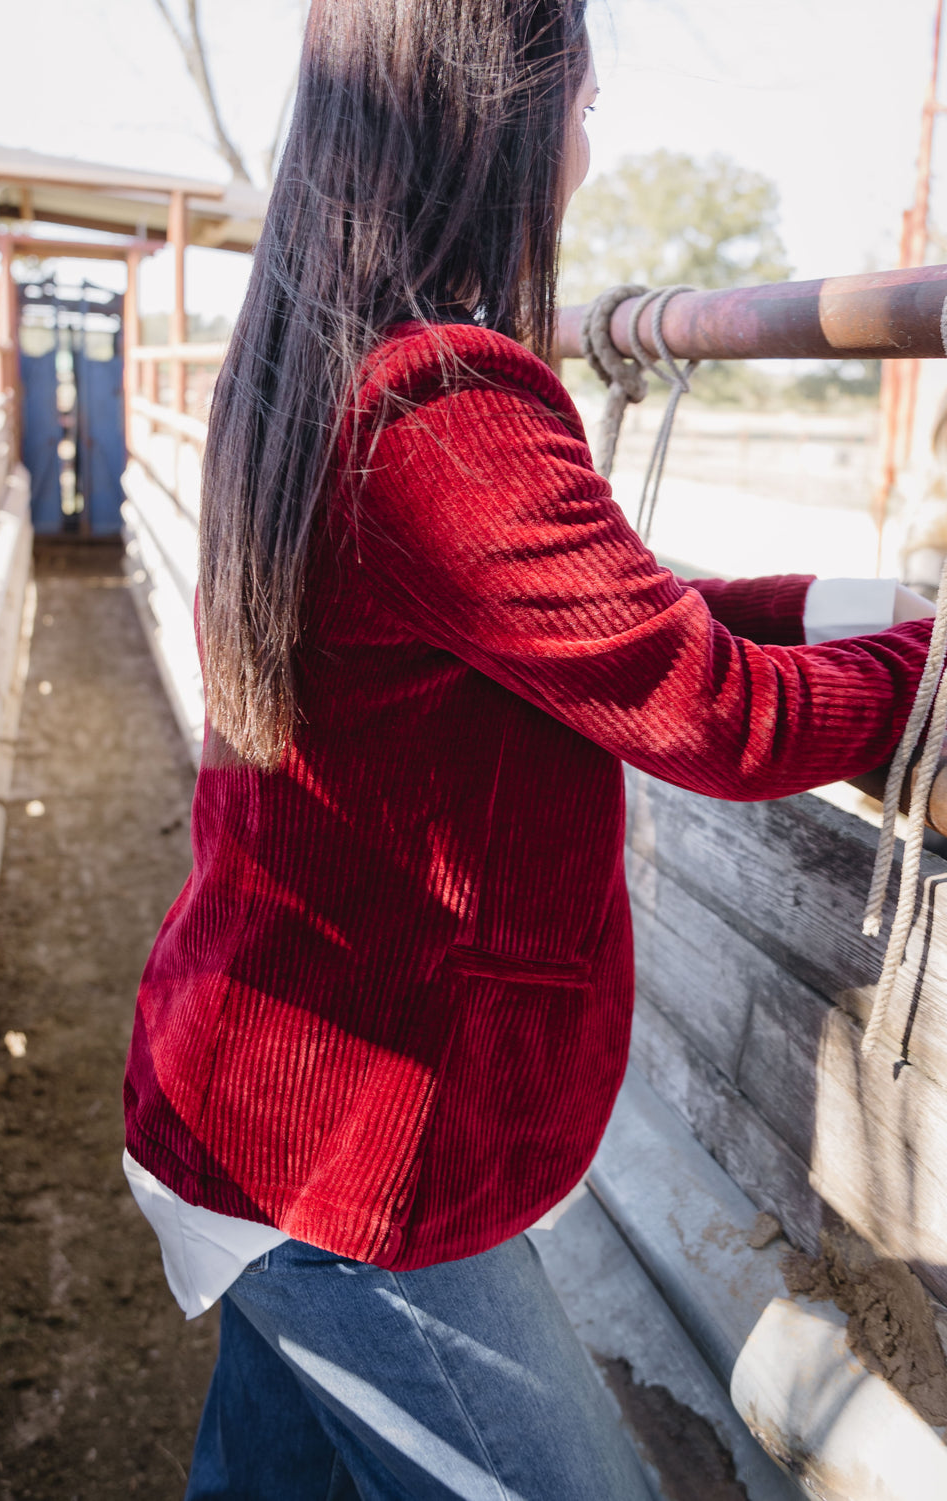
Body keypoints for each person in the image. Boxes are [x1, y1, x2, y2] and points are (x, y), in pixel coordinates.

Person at [122, 2, 937, 1496]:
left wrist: (854, 606)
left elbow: (602, 611)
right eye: (578, 87)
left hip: (247, 1087)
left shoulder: (315, 363)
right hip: (348, 1156)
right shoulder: (445, 401)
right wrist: (926, 668)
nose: (591, 119)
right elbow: (708, 708)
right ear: (489, 110)